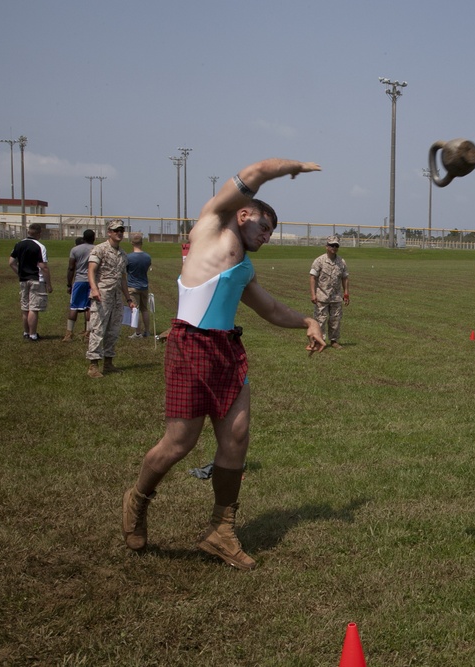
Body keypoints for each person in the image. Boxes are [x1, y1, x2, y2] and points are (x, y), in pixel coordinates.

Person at [121, 157, 325, 571]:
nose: (267, 236)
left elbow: (268, 308)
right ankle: (137, 500)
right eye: (264, 227)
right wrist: (287, 167)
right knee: (180, 443)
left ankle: (221, 531)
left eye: (271, 232)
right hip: (190, 345)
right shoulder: (210, 227)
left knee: (236, 434)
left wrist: (308, 320)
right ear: (244, 213)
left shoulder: (243, 267)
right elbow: (254, 173)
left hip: (227, 350)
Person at [86, 220, 134, 378]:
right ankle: (93, 365)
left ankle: (108, 362)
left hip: (116, 298)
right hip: (102, 295)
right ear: (109, 232)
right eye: (116, 230)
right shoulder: (100, 249)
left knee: (113, 331)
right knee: (98, 328)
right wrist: (94, 289)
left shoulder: (123, 254)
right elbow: (91, 270)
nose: (119, 233)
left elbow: (123, 279)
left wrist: (128, 298)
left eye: (121, 230)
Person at [8, 223, 52, 341]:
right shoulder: (39, 246)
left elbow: (11, 262)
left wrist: (20, 273)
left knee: (25, 307)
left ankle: (26, 332)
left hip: (23, 279)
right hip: (36, 279)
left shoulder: (19, 244)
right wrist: (49, 284)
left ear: (28, 232)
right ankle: (33, 334)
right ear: (39, 233)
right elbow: (43, 267)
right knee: (33, 308)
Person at [309, 235, 350, 349]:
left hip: (336, 297)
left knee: (335, 320)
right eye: (331, 245)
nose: (334, 247)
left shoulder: (342, 262)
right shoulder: (319, 261)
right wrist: (313, 294)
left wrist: (346, 293)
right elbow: (312, 277)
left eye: (336, 245)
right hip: (322, 296)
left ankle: (334, 341)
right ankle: (319, 340)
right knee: (320, 320)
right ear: (326, 246)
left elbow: (345, 278)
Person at [63, 229, 96, 342]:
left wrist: (69, 284)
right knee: (89, 308)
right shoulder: (96, 249)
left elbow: (71, 267)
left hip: (79, 280)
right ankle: (88, 333)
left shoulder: (75, 249)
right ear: (94, 238)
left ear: (83, 238)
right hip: (93, 281)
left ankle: (69, 333)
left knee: (74, 307)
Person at [126, 232, 153, 338]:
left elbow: (126, 271)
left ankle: (138, 333)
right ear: (142, 243)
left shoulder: (129, 257)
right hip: (144, 286)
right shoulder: (147, 257)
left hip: (132, 286)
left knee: (135, 309)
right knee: (144, 309)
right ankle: (147, 331)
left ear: (132, 243)